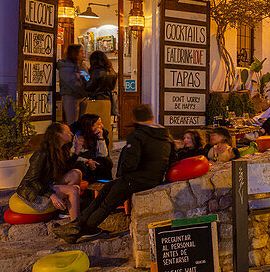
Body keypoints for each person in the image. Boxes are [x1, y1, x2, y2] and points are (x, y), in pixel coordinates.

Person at [56, 104, 173, 243]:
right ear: (152, 117)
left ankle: (79, 231)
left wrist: (123, 172)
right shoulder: (166, 136)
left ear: (134, 118)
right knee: (106, 189)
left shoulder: (137, 136)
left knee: (107, 203)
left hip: (135, 179)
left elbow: (131, 162)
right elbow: (172, 159)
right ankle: (75, 225)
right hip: (152, 178)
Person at [18, 122, 82, 221]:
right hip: (34, 191)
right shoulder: (41, 153)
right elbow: (32, 180)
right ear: (58, 134)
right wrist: (52, 195)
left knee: (76, 173)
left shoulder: (60, 150)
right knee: (74, 189)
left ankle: (65, 210)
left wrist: (77, 150)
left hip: (47, 184)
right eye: (68, 132)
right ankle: (76, 224)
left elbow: (66, 168)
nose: (72, 134)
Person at [72, 113, 112, 181]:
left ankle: (103, 184)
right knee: (80, 166)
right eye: (99, 124)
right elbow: (71, 156)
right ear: (90, 126)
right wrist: (86, 161)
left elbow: (103, 155)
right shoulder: (77, 136)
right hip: (80, 161)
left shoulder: (99, 134)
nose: (102, 126)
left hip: (93, 158)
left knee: (106, 161)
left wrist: (100, 138)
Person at [56, 44, 87, 124]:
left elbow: (87, 78)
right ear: (74, 53)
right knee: (73, 122)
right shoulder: (66, 66)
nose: (83, 54)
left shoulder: (80, 65)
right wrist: (86, 90)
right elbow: (72, 83)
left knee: (80, 122)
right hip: (71, 96)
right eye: (80, 52)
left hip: (81, 96)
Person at [84, 50, 118, 118]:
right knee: (105, 122)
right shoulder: (112, 71)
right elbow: (113, 86)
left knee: (95, 124)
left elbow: (89, 87)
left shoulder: (97, 72)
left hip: (97, 101)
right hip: (108, 100)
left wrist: (85, 76)